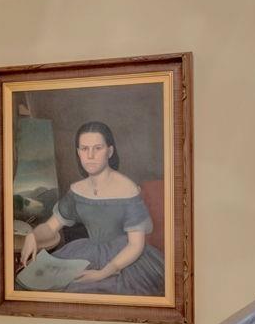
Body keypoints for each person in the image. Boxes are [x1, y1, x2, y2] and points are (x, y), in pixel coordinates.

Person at [17, 121, 166, 295]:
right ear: (78, 152)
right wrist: (33, 236)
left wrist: (105, 272)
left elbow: (136, 245)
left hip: (124, 260)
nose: (90, 155)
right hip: (86, 252)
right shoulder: (77, 190)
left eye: (97, 148)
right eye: (84, 149)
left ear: (109, 151)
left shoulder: (127, 189)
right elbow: (50, 227)